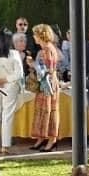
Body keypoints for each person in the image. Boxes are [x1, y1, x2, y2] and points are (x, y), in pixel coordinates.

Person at [30, 23, 63, 152]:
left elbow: (47, 70)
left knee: (50, 111)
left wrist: (32, 64)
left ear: (41, 35)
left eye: (35, 34)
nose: (34, 37)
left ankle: (52, 140)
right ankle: (42, 138)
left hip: (48, 84)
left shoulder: (47, 49)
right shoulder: (47, 48)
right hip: (46, 83)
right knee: (43, 111)